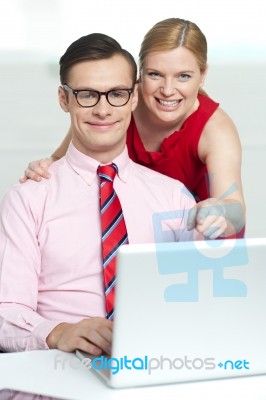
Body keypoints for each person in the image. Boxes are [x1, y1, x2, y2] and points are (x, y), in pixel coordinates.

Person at [0, 33, 200, 354]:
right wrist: (57, 333)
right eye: (87, 95)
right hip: (57, 368)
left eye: (117, 94)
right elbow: (6, 311)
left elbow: (201, 302)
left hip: (153, 364)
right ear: (64, 99)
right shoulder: (28, 199)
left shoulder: (174, 197)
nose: (103, 110)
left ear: (134, 97)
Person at [20, 18, 246, 240]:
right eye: (155, 74)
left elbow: (235, 207)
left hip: (200, 236)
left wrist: (219, 213)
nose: (168, 90)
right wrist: (42, 168)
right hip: (134, 232)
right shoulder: (117, 101)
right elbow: (62, 159)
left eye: (183, 76)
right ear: (140, 75)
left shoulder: (215, 129)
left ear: (202, 76)